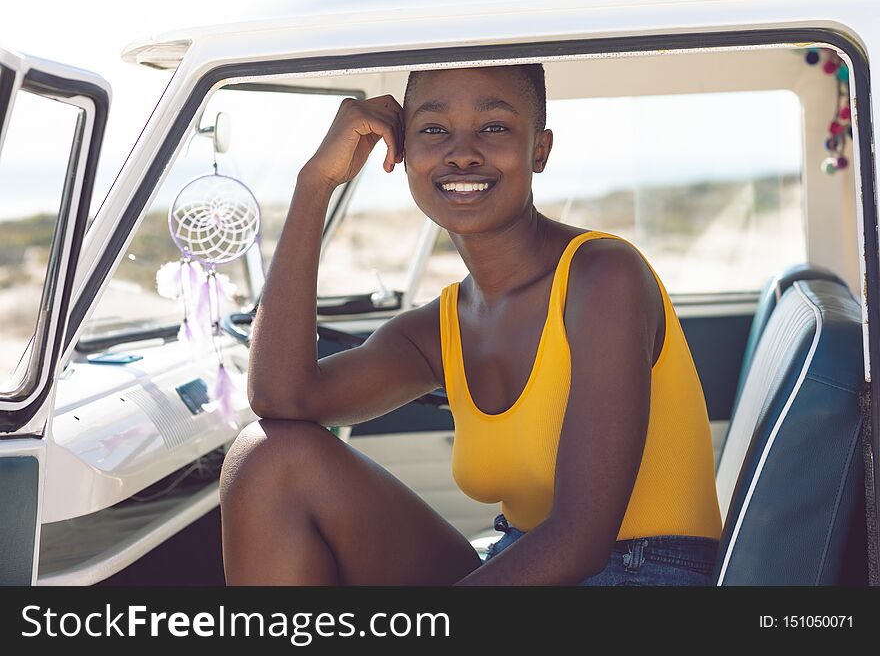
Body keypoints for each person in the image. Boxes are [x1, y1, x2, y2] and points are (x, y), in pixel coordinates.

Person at [219, 63, 723, 586]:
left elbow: (580, 541)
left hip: (642, 575)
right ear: (404, 154)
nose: (463, 152)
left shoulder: (603, 275)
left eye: (494, 127)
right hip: (519, 558)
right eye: (434, 130)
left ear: (540, 150)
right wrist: (315, 183)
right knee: (270, 459)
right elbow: (283, 399)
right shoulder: (443, 327)